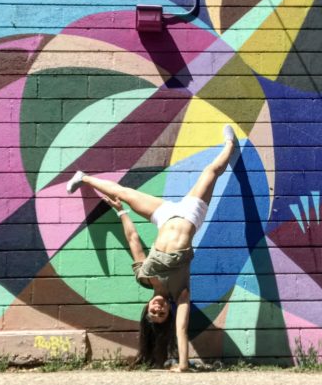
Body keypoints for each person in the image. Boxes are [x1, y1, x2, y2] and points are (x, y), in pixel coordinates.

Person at [65, 125, 239, 371]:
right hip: (190, 216)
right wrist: (183, 365)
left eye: (152, 313)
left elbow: (134, 240)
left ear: (147, 307)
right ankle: (230, 146)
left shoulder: (143, 277)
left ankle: (82, 177)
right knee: (211, 171)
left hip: (163, 216)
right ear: (168, 311)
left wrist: (122, 211)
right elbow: (181, 328)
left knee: (124, 193)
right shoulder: (182, 294)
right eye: (161, 314)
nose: (157, 309)